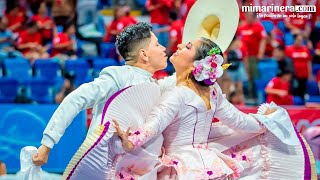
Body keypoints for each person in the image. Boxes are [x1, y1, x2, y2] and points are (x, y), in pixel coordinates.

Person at [114, 38, 310, 179]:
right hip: (210, 164)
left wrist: (130, 140)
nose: (180, 45)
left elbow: (155, 124)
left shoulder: (178, 94)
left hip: (183, 168)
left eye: (188, 47)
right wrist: (267, 121)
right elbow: (241, 121)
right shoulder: (213, 92)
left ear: (195, 65)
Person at [32, 22, 176, 167]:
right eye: (157, 45)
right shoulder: (119, 77)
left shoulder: (154, 84)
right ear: (143, 54)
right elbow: (75, 99)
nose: (164, 48)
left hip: (135, 169)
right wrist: (47, 144)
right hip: (104, 167)